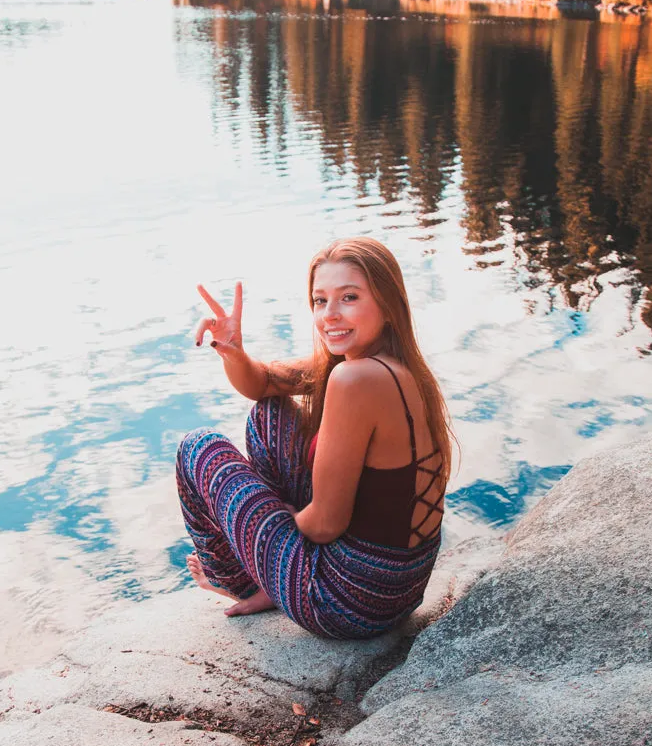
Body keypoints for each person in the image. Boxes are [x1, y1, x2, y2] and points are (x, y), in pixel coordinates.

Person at [176, 237, 452, 640]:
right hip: (397, 588)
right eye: (320, 301)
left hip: (346, 602)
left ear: (389, 304)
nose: (330, 315)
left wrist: (278, 519)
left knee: (198, 448)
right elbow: (263, 384)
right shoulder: (394, 366)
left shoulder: (354, 378)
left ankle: (243, 578)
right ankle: (270, 569)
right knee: (270, 414)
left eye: (349, 297)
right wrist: (233, 350)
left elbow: (325, 526)